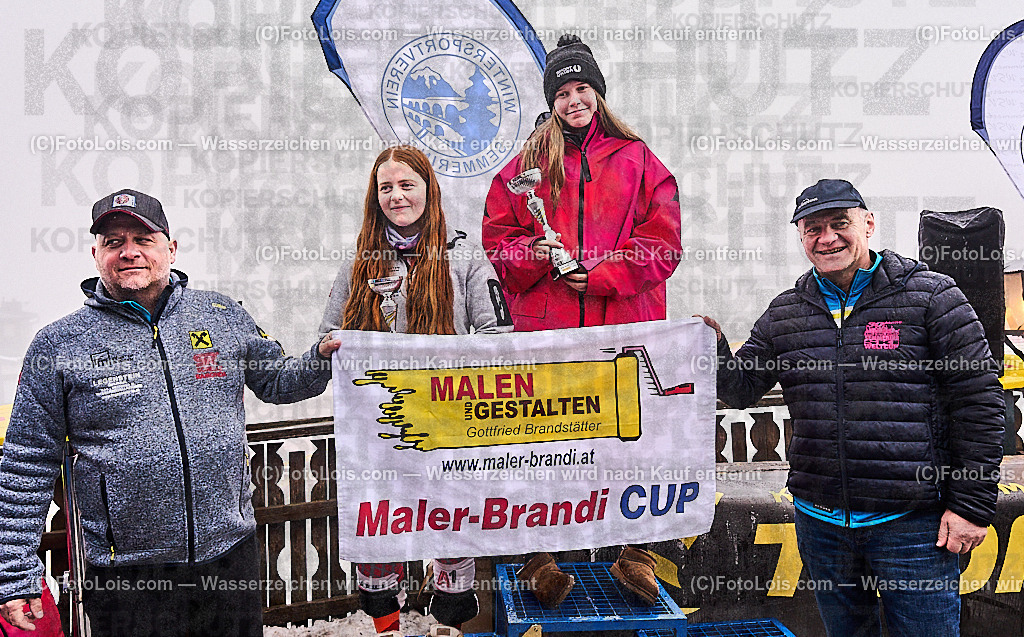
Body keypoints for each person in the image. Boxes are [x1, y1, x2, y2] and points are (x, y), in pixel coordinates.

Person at [0, 189, 342, 636]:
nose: (129, 252)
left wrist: (321, 355)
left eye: (143, 238)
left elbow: (278, 381)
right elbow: (26, 464)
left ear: (171, 248)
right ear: (95, 254)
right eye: (113, 241)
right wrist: (15, 574)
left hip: (229, 555)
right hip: (127, 575)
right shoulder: (59, 344)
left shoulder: (221, 314)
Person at [702, 179, 1005, 636]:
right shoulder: (787, 312)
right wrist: (713, 345)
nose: (827, 238)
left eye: (840, 224)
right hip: (821, 524)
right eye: (813, 228)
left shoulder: (931, 297)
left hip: (914, 526)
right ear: (801, 238)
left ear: (868, 224)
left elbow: (979, 402)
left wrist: (972, 506)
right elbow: (741, 389)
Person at [481, 34, 682, 606]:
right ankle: (539, 557)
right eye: (563, 92)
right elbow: (500, 239)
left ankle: (634, 556)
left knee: (630, 442)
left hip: (623, 328)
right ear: (552, 102)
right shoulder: (524, 168)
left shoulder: (638, 158)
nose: (574, 100)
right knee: (546, 444)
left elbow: (663, 243)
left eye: (582, 88)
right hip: (552, 334)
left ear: (598, 93)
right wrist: (538, 256)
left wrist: (602, 273)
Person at [319, 145, 512, 635]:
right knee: (381, 531)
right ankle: (386, 624)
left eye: (407, 185)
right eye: (386, 187)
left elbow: (498, 334)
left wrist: (451, 359)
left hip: (450, 423)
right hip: (379, 430)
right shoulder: (360, 262)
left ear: (430, 190)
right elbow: (325, 335)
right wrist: (340, 345)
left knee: (450, 529)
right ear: (374, 195)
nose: (396, 196)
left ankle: (448, 625)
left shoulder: (464, 256)